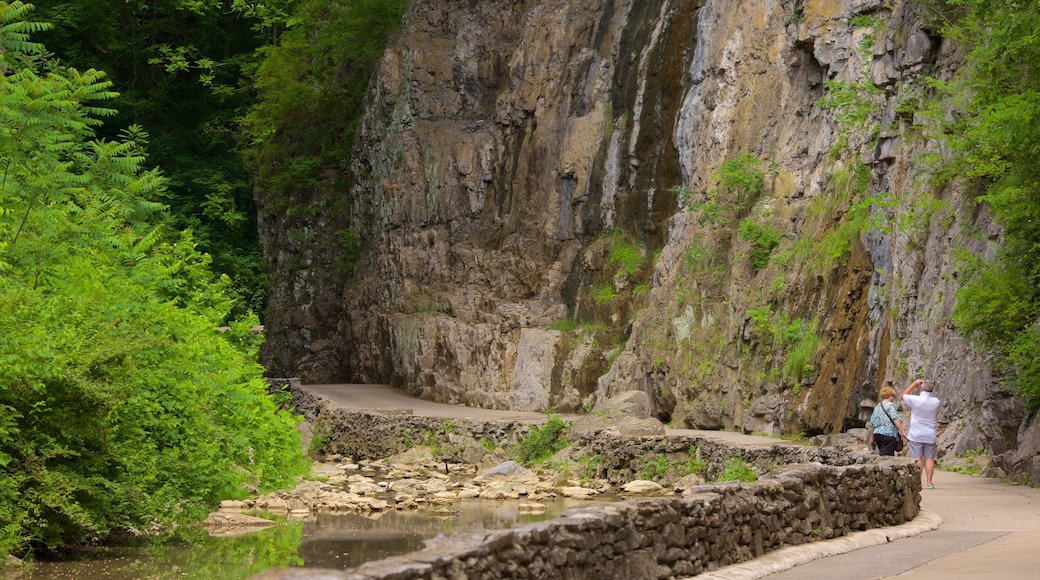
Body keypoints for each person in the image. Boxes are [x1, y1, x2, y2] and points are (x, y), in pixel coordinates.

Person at [901, 378, 941, 489]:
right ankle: (929, 483)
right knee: (929, 458)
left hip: (916, 434)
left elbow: (902, 395)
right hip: (930, 435)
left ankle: (918, 482)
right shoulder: (936, 401)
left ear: (921, 388)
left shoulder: (915, 400)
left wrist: (914, 384)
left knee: (917, 458)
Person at [866, 384, 907, 456]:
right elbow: (895, 419)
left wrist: (872, 438)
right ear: (889, 395)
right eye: (893, 396)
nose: (894, 398)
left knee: (882, 454)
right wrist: (902, 431)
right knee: (887, 457)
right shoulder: (890, 405)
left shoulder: (877, 407)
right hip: (888, 435)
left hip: (877, 435)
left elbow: (872, 423)